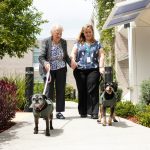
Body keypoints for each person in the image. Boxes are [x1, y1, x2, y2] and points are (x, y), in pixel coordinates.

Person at [70, 24, 105, 119]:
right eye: (86, 32)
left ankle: (94, 112)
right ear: (83, 33)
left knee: (92, 89)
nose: (88, 34)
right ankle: (83, 111)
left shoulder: (97, 43)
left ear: (92, 32)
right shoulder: (78, 43)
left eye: (90, 32)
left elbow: (101, 55)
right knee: (82, 90)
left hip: (93, 69)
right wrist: (73, 60)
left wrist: (101, 66)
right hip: (79, 69)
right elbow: (73, 53)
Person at [39, 24, 71, 119]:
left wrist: (71, 63)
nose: (59, 35)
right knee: (49, 91)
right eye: (57, 33)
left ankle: (59, 112)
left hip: (61, 68)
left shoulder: (63, 42)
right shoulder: (46, 41)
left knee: (60, 90)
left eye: (61, 33)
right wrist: (45, 63)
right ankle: (46, 111)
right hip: (49, 69)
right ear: (52, 33)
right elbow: (41, 56)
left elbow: (65, 56)